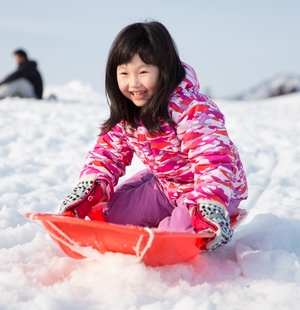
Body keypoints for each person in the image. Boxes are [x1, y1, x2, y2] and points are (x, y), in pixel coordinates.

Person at [59, 21, 248, 250]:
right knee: (111, 215)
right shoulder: (128, 114)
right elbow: (107, 153)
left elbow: (213, 159)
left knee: (180, 237)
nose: (133, 83)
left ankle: (195, 220)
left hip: (209, 191)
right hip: (167, 184)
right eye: (124, 73)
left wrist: (210, 203)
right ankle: (164, 213)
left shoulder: (191, 109)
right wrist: (89, 189)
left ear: (164, 70)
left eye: (143, 72)